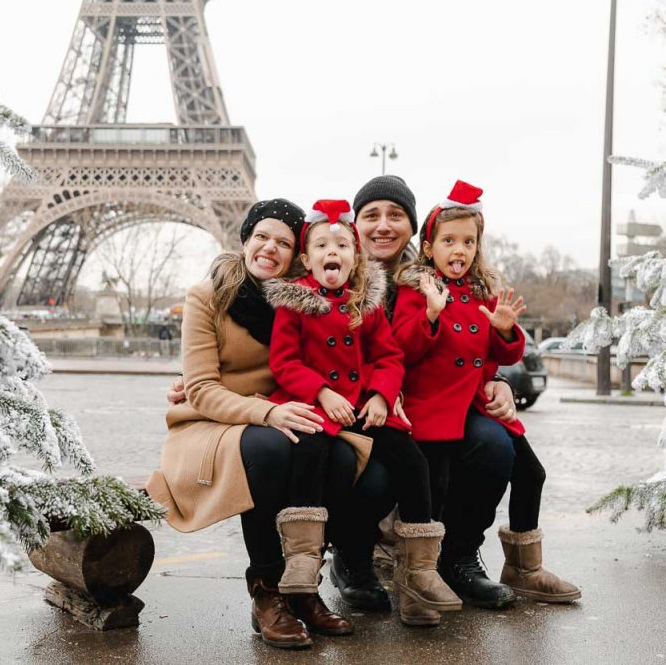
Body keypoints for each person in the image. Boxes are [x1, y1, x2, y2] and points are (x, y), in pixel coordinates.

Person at [146, 199, 364, 650]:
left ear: (296, 254)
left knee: (341, 456)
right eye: (261, 236)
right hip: (216, 420)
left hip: (291, 410)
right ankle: (265, 590)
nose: (270, 248)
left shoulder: (308, 298)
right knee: (268, 451)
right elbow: (203, 389)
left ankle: (302, 586)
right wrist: (266, 412)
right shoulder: (207, 296)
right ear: (244, 240)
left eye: (283, 242)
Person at [262, 199, 461, 626]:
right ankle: (302, 556)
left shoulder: (364, 305)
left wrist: (381, 396)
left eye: (341, 245)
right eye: (321, 245)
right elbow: (284, 362)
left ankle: (419, 571)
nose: (331, 252)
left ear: (356, 258)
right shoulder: (293, 304)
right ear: (306, 258)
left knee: (413, 463)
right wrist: (320, 391)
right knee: (308, 452)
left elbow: (389, 357)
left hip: (364, 407)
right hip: (318, 405)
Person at [330, 175, 522, 612]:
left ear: (414, 228)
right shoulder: (332, 268)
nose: (383, 225)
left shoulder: (432, 278)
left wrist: (499, 380)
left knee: (494, 446)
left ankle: (456, 558)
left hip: (426, 406)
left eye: (395, 215)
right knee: (380, 474)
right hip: (356, 405)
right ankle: (351, 556)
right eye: (371, 215)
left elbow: (476, 340)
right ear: (353, 223)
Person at [392, 180, 580, 603]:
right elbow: (402, 348)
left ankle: (517, 567)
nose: (459, 250)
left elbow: (500, 354)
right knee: (464, 469)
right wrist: (432, 316)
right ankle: (446, 563)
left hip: (473, 401)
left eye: (468, 242)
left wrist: (506, 329)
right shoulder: (416, 289)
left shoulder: (482, 292)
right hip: (435, 406)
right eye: (449, 241)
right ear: (428, 247)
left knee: (530, 471)